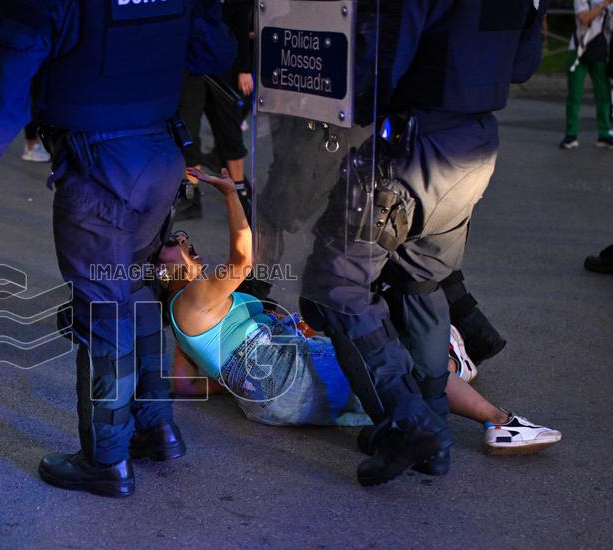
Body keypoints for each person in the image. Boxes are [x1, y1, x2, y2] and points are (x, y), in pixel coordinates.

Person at [0, 0, 236, 497]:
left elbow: (5, 84)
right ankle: (156, 428)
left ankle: (106, 460)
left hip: (100, 167)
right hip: (160, 154)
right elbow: (214, 50)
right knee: (139, 294)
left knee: (104, 310)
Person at [298, 1, 546, 486]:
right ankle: (432, 437)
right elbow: (522, 65)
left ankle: (408, 424)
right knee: (422, 283)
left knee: (337, 287)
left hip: (413, 145)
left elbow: (380, 64)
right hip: (474, 147)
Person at [159, 170, 561, 456]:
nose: (185, 240)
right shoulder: (194, 297)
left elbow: (184, 383)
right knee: (402, 365)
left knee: (378, 378)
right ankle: (500, 422)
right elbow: (243, 258)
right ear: (162, 272)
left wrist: (239, 382)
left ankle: (448, 370)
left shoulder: (181, 319)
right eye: (177, 244)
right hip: (287, 375)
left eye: (186, 239)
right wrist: (231, 194)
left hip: (269, 404)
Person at [173, 0, 254, 222]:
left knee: (229, 134)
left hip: (224, 64)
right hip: (190, 64)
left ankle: (240, 194)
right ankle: (191, 198)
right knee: (187, 134)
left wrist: (245, 68)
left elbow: (240, 21)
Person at [561, 0, 613, 150]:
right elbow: (584, 18)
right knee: (575, 94)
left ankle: (604, 133)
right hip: (578, 50)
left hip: (600, 51)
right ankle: (571, 134)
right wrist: (603, 5)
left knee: (603, 94)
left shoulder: (612, 4)